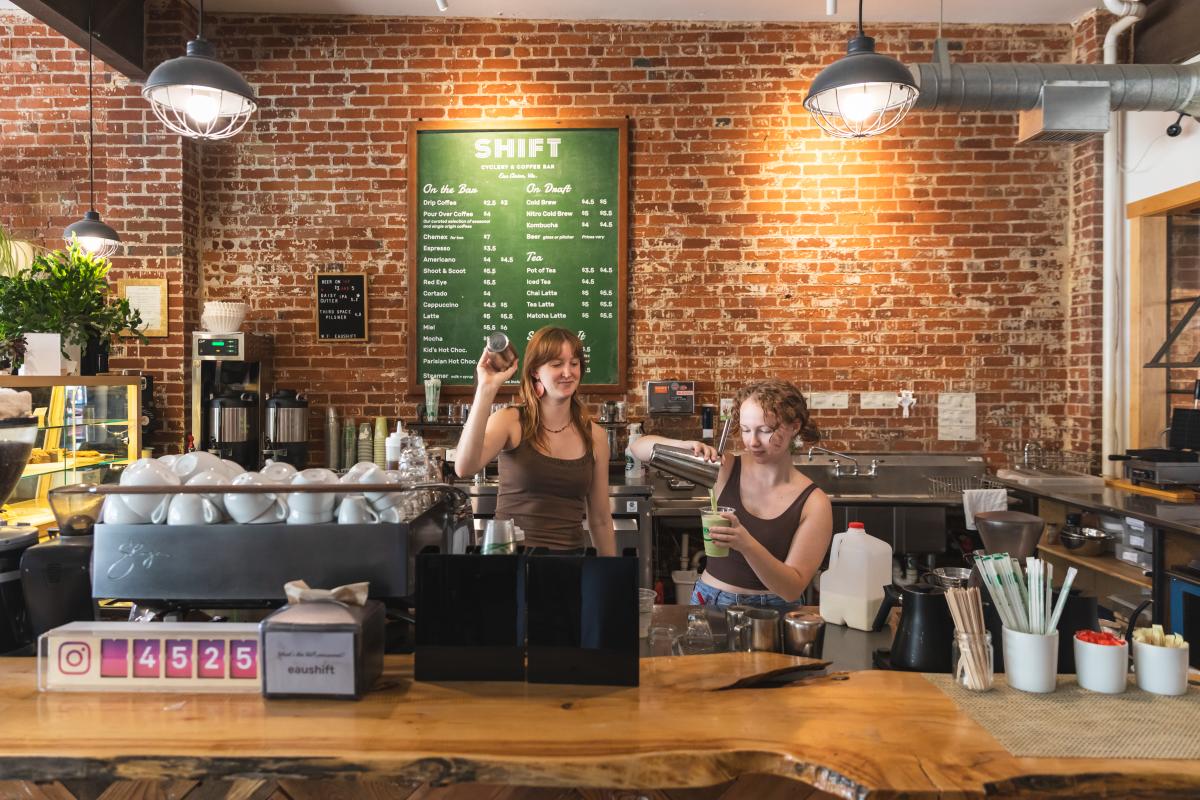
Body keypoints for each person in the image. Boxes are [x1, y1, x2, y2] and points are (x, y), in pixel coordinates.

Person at [630, 379, 832, 606]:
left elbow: (792, 588)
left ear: (794, 427)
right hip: (710, 599)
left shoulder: (814, 503)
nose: (752, 442)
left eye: (765, 430)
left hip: (774, 610)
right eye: (746, 430)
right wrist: (683, 445)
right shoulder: (725, 468)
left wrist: (746, 544)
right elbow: (639, 448)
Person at [454, 326, 616, 555]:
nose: (568, 372)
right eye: (557, 364)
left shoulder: (595, 437)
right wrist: (486, 388)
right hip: (510, 561)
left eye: (574, 363)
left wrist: (610, 580)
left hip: (568, 565)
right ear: (535, 371)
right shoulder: (510, 421)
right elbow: (464, 467)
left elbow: (600, 520)